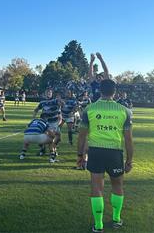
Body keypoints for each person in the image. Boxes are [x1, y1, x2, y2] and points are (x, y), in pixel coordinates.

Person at [77, 79, 134, 232]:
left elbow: (81, 136)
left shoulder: (89, 109)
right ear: (114, 92)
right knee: (117, 186)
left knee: (96, 188)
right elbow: (128, 139)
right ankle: (116, 219)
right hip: (115, 153)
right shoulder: (125, 111)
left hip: (95, 152)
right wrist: (129, 160)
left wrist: (80, 155)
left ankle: (98, 225)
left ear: (100, 91)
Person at [33, 89, 63, 163]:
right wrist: (34, 118)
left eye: (50, 92)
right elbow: (36, 109)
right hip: (46, 123)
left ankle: (52, 152)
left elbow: (61, 104)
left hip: (55, 123)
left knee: (57, 139)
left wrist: (60, 100)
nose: (49, 94)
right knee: (47, 139)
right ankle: (50, 154)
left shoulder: (55, 101)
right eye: (47, 92)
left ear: (52, 94)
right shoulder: (42, 102)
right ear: (45, 94)